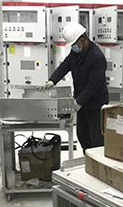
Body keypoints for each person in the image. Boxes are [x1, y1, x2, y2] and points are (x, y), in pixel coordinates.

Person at [39, 22, 109, 151]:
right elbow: (65, 66)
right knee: (82, 135)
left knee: (96, 139)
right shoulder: (76, 53)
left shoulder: (97, 57)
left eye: (74, 44)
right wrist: (52, 81)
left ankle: (96, 161)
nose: (74, 47)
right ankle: (87, 158)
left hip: (96, 105)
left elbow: (93, 84)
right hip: (81, 102)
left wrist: (79, 101)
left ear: (83, 39)